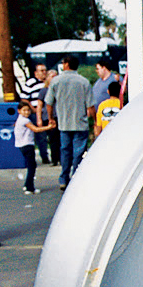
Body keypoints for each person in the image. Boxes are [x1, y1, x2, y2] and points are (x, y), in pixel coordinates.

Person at [47, 55, 94, 190]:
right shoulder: (84, 82)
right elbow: (90, 106)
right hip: (80, 122)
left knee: (65, 150)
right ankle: (75, 177)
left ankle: (63, 177)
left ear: (66, 64)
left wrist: (51, 118)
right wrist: (94, 120)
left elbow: (49, 103)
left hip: (64, 122)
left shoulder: (56, 81)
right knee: (78, 152)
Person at [13, 101, 54, 194]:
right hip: (27, 145)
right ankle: (29, 188)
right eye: (24, 110)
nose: (27, 112)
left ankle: (27, 184)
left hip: (21, 145)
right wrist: (48, 127)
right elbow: (35, 129)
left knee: (30, 165)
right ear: (19, 111)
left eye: (28, 110)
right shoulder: (25, 121)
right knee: (32, 166)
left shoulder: (19, 119)